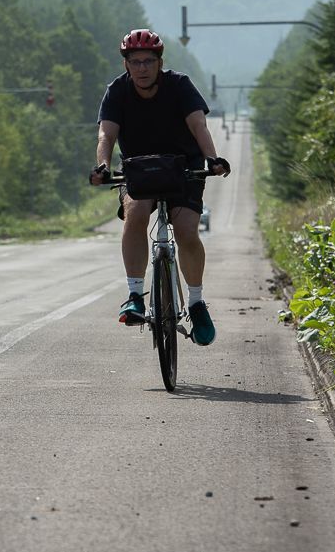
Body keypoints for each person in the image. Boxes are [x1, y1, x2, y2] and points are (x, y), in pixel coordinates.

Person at [89, 29, 230, 346]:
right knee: (136, 212)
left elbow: (198, 125)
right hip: (139, 171)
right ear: (126, 64)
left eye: (148, 61)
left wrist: (211, 158)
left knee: (186, 231)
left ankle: (196, 304)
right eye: (135, 62)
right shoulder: (117, 91)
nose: (142, 68)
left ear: (159, 62)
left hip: (184, 168)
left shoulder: (179, 86)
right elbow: (105, 136)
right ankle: (135, 295)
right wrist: (102, 164)